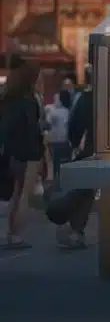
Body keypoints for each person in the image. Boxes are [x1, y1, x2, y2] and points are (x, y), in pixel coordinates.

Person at [1, 59, 46, 248]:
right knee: (24, 195)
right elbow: (33, 130)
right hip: (29, 153)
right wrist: (41, 153)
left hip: (12, 153)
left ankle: (10, 232)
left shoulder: (8, 99)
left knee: (16, 194)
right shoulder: (29, 100)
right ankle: (16, 234)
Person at [54, 73, 94, 250]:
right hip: (91, 150)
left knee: (85, 189)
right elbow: (76, 125)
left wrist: (75, 144)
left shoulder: (84, 98)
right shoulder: (91, 99)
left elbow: (74, 125)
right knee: (85, 190)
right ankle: (73, 228)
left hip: (87, 149)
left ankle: (75, 229)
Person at [44, 90, 72, 186]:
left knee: (55, 163)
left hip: (54, 141)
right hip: (65, 140)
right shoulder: (68, 111)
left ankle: (56, 182)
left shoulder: (54, 112)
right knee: (64, 162)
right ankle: (64, 181)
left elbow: (47, 124)